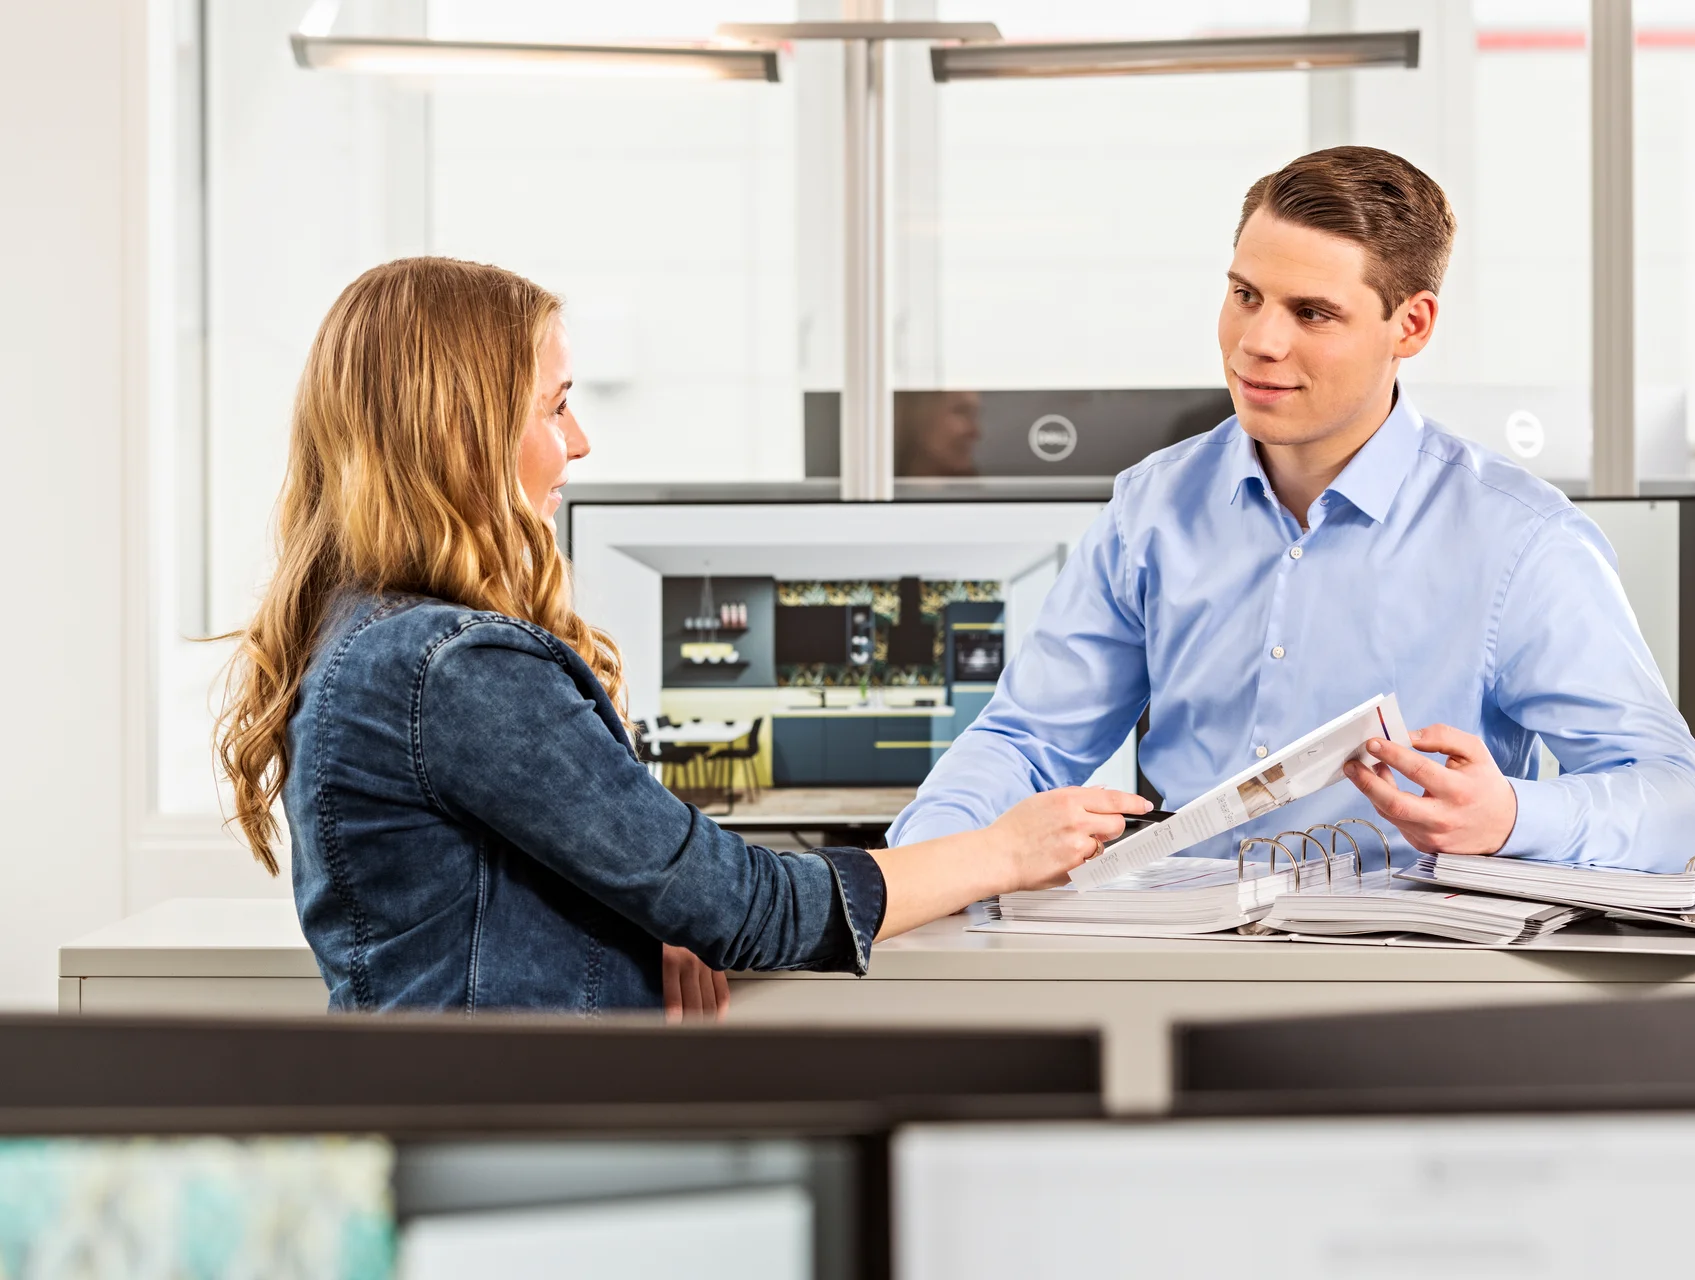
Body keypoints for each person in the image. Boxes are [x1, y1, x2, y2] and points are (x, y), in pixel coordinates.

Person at [215, 257, 1148, 1017]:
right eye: (554, 405)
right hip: (505, 1131)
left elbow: (515, 883)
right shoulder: (453, 667)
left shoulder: (365, 633)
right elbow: (748, 909)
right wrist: (1003, 850)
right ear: (462, 431)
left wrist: (638, 915)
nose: (577, 442)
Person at [891, 146, 1695, 870]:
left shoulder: (1519, 540)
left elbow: (1680, 802)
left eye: (1312, 313)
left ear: (1413, 324)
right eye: (1246, 295)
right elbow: (1025, 743)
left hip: (1409, 979)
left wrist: (1511, 816)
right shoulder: (1153, 507)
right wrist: (919, 873)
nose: (1259, 341)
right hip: (1178, 954)